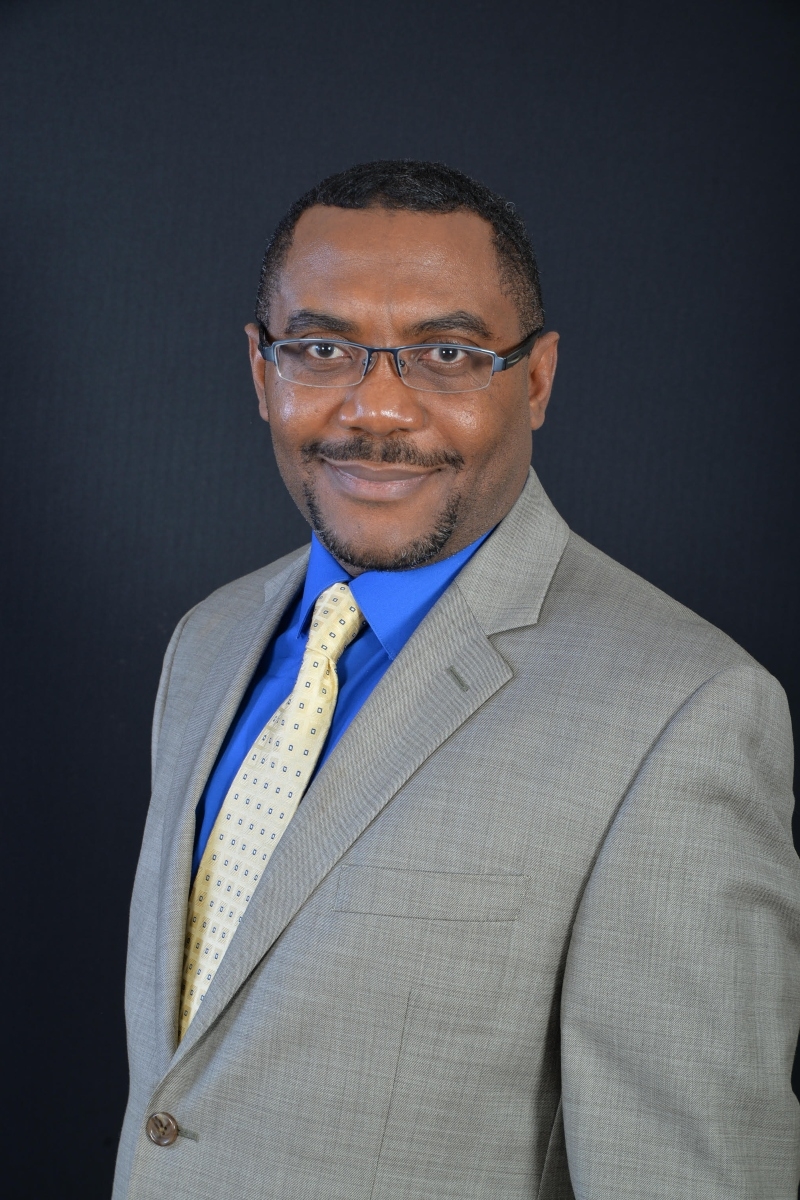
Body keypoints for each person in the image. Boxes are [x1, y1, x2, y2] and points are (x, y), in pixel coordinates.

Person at [113, 160, 800, 1200]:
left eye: (445, 353)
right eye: (321, 347)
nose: (377, 409)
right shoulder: (207, 643)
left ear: (533, 379)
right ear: (262, 373)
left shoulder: (683, 714)